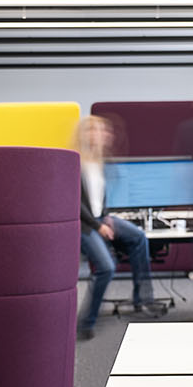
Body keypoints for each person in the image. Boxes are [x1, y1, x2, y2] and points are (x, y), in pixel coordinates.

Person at [76, 115, 165, 339]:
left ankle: (142, 300)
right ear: (84, 134)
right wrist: (98, 226)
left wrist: (105, 218)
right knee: (107, 267)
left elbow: (99, 199)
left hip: (99, 218)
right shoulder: (75, 161)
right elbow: (75, 203)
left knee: (138, 237)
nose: (99, 135)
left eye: (101, 131)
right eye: (92, 130)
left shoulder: (101, 162)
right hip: (84, 225)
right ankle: (87, 322)